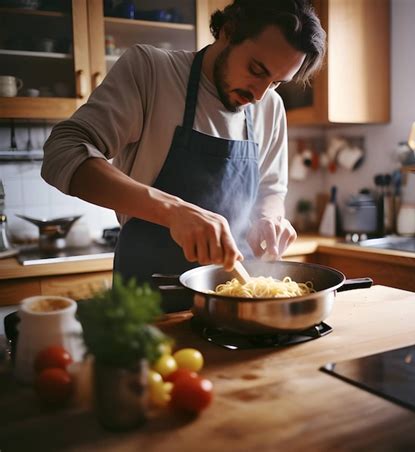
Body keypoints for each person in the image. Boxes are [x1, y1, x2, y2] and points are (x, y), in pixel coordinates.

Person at [42, 0, 326, 309]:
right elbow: (62, 149)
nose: (259, 95)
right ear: (228, 32)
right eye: (257, 70)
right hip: (147, 298)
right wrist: (173, 211)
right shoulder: (152, 72)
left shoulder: (270, 108)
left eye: (275, 83)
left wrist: (268, 217)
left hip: (235, 300)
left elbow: (271, 187)